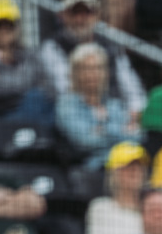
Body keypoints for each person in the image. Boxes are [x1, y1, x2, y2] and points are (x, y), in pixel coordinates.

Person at [39, 0, 146, 121]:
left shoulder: (111, 46)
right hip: (73, 116)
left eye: (87, 13)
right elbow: (64, 89)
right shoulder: (52, 47)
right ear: (63, 16)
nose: (80, 19)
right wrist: (98, 113)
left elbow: (132, 88)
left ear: (97, 15)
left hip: (117, 115)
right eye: (74, 13)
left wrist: (134, 112)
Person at [55, 43, 140, 171]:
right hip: (91, 169)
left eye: (98, 68)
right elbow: (84, 141)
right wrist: (121, 131)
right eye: (86, 69)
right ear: (75, 73)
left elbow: (137, 137)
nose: (93, 74)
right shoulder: (67, 104)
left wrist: (102, 130)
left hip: (123, 164)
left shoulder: (114, 105)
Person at [85, 142, 149, 234]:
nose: (134, 171)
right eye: (127, 167)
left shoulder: (153, 208)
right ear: (113, 174)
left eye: (139, 166)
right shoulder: (101, 207)